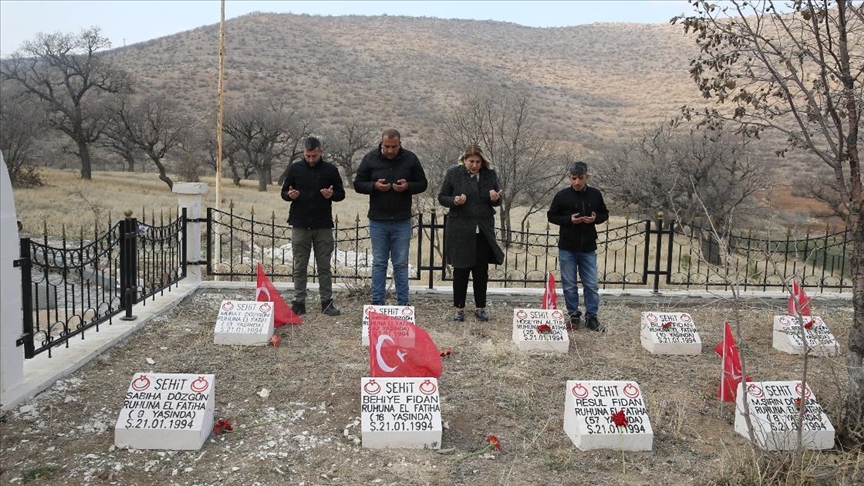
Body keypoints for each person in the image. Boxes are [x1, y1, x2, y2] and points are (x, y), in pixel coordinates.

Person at [353, 129, 428, 305]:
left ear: (400, 144)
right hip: (378, 220)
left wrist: (408, 186)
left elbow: (423, 183)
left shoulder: (410, 158)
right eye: (386, 146)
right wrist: (374, 186)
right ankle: (377, 302)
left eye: (394, 146)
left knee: (400, 264)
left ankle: (403, 303)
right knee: (379, 263)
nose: (390, 150)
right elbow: (358, 184)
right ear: (381, 143)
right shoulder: (370, 158)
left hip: (402, 220)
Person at [438, 145, 505, 322]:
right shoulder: (454, 173)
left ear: (482, 162)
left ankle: (480, 308)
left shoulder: (489, 175)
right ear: (464, 160)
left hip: (483, 229)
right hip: (460, 228)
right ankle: (459, 308)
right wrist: (454, 200)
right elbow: (442, 197)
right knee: (461, 270)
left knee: (481, 271)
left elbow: (498, 199)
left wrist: (495, 199)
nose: (474, 165)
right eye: (471, 162)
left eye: (477, 162)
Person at [281, 137, 345, 316]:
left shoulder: (330, 170)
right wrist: (290, 195)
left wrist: (331, 194)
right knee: (300, 265)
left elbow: (341, 194)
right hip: (300, 224)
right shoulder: (295, 168)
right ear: (304, 153)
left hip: (323, 225)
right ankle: (298, 302)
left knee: (324, 265)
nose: (310, 159)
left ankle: (326, 302)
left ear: (321, 152)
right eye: (308, 156)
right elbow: (284, 192)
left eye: (314, 156)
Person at [547, 161, 609, 332]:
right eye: (573, 178)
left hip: (588, 247)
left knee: (591, 284)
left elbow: (604, 213)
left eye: (580, 178)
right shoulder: (562, 196)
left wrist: (595, 219)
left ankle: (592, 317)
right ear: (569, 178)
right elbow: (551, 216)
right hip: (567, 246)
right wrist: (569, 220)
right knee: (569, 284)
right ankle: (574, 316)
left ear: (586, 177)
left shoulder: (595, 195)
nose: (577, 182)